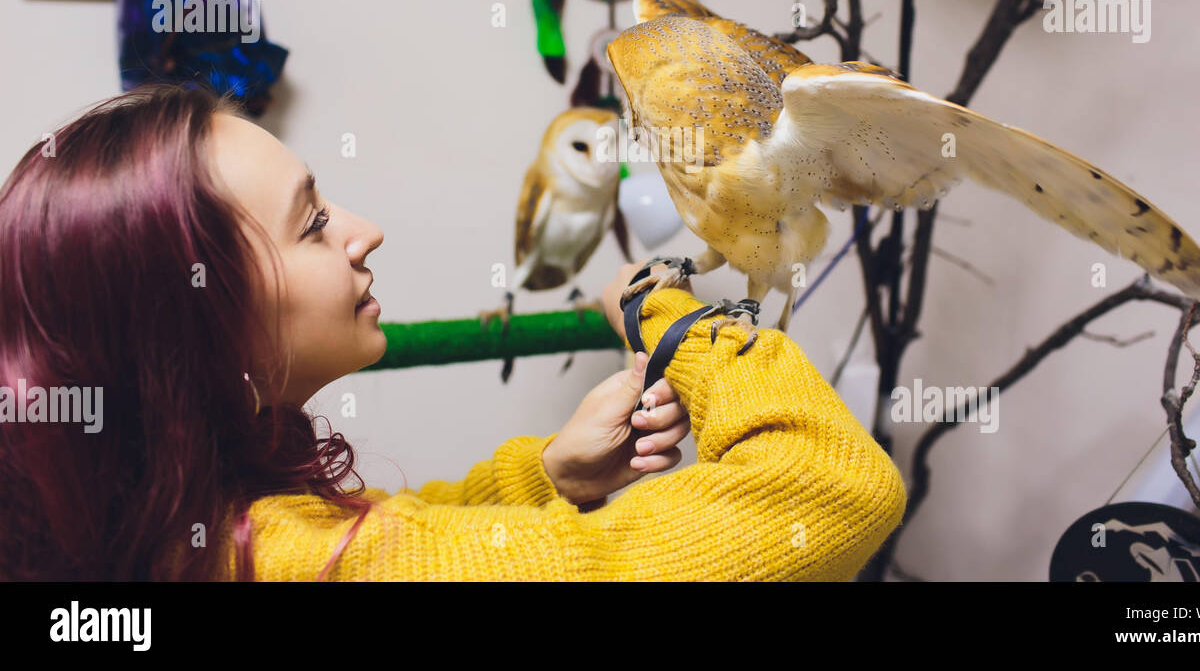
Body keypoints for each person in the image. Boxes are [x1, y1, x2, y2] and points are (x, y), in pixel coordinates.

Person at [0, 83, 906, 581]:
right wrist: (663, 311)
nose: (364, 230)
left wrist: (544, 475)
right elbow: (829, 488)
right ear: (198, 327)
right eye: (313, 223)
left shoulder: (179, 527)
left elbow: (410, 537)